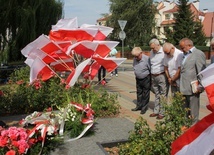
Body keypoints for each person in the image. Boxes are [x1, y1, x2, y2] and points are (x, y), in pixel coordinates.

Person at [179, 38, 206, 124]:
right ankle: (186, 127)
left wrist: (200, 86)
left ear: (189, 45)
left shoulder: (198, 54)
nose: (181, 50)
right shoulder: (185, 54)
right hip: (183, 87)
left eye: (183, 47)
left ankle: (194, 128)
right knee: (185, 111)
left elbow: (201, 72)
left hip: (193, 88)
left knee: (193, 112)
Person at [149, 38, 168, 119]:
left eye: (153, 47)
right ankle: (156, 111)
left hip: (161, 75)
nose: (153, 49)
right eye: (151, 48)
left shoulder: (164, 52)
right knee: (156, 94)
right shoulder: (151, 52)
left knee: (163, 94)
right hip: (153, 76)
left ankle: (162, 112)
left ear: (158, 45)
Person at [131, 47, 151, 114]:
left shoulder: (147, 59)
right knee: (139, 92)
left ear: (141, 53)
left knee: (145, 93)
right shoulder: (135, 59)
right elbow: (134, 67)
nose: (136, 58)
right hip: (138, 78)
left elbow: (150, 68)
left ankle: (144, 108)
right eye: (134, 56)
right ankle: (139, 106)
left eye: (137, 56)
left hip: (146, 78)